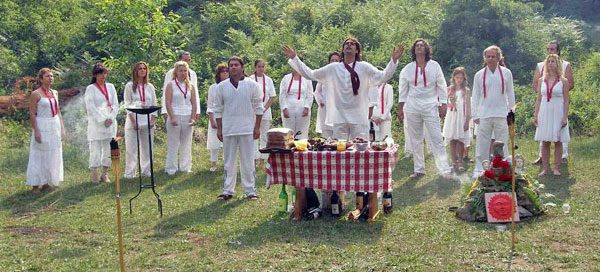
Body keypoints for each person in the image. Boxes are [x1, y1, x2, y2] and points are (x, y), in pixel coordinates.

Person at [282, 37, 404, 140]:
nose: (349, 45)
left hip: (359, 115)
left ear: (357, 50)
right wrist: (295, 59)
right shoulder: (333, 68)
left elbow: (383, 76)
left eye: (352, 44)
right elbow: (311, 74)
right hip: (339, 115)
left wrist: (393, 61)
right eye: (346, 43)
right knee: (340, 150)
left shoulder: (364, 67)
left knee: (359, 150)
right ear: (343, 49)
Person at [398, 39, 451, 178]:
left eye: (422, 45)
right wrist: (400, 107)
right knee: (415, 139)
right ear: (414, 50)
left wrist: (443, 103)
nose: (419, 47)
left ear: (426, 49)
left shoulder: (434, 66)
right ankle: (419, 169)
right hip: (412, 106)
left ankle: (444, 169)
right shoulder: (408, 68)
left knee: (436, 138)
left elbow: (441, 84)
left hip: (430, 106)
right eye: (417, 45)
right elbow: (403, 89)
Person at [214, 56, 264, 200]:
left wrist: (257, 127)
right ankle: (227, 190)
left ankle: (250, 190)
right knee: (229, 161)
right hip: (229, 128)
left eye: (236, 65)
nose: (233, 67)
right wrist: (219, 129)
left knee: (248, 160)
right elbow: (217, 109)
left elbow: (259, 108)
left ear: (242, 67)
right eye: (231, 65)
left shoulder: (252, 85)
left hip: (247, 128)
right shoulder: (221, 87)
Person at [471, 45, 515, 178]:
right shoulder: (479, 75)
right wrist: (475, 114)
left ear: (498, 57)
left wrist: (511, 112)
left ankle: (505, 167)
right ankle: (480, 169)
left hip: (502, 113)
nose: (490, 59)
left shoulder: (506, 73)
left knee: (503, 142)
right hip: (484, 114)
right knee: (482, 143)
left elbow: (510, 93)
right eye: (488, 56)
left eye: (493, 56)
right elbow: (476, 95)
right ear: (484, 58)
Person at [532, 41, 574, 165]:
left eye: (553, 49)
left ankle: (563, 156)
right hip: (545, 103)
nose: (550, 51)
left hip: (558, 103)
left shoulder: (565, 65)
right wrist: (545, 92)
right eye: (548, 49)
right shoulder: (540, 65)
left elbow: (570, 83)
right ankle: (542, 157)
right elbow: (535, 83)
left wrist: (557, 91)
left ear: (558, 50)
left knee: (559, 132)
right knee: (544, 132)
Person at [26, 68, 65, 194]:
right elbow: (32, 113)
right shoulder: (36, 94)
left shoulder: (55, 92)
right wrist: (36, 130)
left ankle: (47, 181)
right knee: (39, 154)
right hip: (42, 124)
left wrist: (62, 128)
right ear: (41, 78)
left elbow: (58, 111)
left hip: (54, 125)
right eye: (48, 76)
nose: (51, 78)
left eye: (52, 76)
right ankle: (35, 184)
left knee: (52, 153)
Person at [85, 63, 119, 183]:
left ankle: (105, 173)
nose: (102, 76)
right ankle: (94, 172)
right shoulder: (91, 89)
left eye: (104, 73)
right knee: (95, 149)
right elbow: (90, 107)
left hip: (110, 123)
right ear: (95, 75)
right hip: (97, 124)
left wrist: (111, 118)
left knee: (108, 149)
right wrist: (103, 119)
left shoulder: (110, 86)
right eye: (100, 73)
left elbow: (115, 104)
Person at [123, 62, 157, 178]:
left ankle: (146, 170)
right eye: (140, 69)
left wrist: (153, 120)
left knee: (147, 147)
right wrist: (133, 121)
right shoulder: (129, 86)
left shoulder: (150, 86)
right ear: (135, 71)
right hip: (133, 120)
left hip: (147, 120)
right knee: (131, 148)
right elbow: (127, 104)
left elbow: (154, 104)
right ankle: (130, 172)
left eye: (144, 69)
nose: (142, 70)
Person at [164, 61, 198, 175]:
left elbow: (194, 102)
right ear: (176, 72)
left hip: (187, 116)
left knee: (186, 143)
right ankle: (171, 168)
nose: (183, 73)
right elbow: (167, 102)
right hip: (175, 116)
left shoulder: (191, 85)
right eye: (181, 71)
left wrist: (193, 118)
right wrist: (172, 117)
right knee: (173, 143)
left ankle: (185, 167)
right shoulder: (171, 85)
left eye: (185, 71)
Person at [442, 67, 471, 172]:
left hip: (461, 116)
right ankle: (453, 161)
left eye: (461, 78)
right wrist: (451, 102)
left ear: (464, 78)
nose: (459, 80)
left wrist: (467, 120)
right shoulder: (449, 89)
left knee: (460, 139)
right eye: (457, 77)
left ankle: (460, 161)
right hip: (452, 116)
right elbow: (446, 104)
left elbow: (468, 106)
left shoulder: (466, 90)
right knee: (452, 139)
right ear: (453, 77)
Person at [251, 59, 277, 168]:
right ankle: (253, 159)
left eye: (263, 66)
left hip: (265, 111)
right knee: (253, 136)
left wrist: (264, 108)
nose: (261, 69)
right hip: (253, 112)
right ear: (255, 68)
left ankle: (263, 160)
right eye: (259, 66)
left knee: (264, 136)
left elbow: (272, 96)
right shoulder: (250, 79)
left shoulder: (269, 80)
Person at [161, 51, 201, 121]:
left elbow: (195, 93)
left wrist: (197, 111)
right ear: (179, 60)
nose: (187, 62)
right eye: (185, 60)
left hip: (188, 111)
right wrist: (164, 111)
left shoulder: (193, 73)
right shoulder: (170, 73)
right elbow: (165, 93)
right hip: (174, 111)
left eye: (189, 60)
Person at [279, 67, 313, 140]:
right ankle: (289, 149)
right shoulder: (286, 78)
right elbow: (282, 94)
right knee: (288, 131)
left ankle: (301, 148)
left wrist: (307, 107)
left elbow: (310, 94)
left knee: (302, 132)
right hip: (289, 106)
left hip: (302, 106)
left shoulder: (306, 78)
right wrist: (284, 108)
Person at [206, 63, 229, 172]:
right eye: (222, 71)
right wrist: (212, 119)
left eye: (226, 71)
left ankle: (227, 164)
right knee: (214, 142)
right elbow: (210, 105)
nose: (225, 73)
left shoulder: (231, 86)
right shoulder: (213, 87)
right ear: (218, 74)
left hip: (227, 117)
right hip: (215, 116)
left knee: (227, 142)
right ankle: (213, 164)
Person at [314, 52, 341, 139]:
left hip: (338, 109)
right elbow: (317, 91)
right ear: (329, 62)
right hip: (325, 107)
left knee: (338, 135)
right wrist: (320, 101)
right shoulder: (324, 75)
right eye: (332, 60)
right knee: (326, 135)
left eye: (336, 60)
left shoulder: (343, 75)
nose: (334, 62)